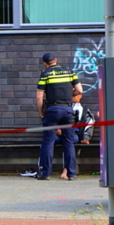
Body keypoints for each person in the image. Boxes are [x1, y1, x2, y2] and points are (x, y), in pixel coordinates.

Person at [36, 53, 83, 181]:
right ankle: (71, 173)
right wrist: (69, 95)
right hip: (68, 109)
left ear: (45, 63)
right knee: (68, 142)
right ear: (56, 60)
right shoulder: (69, 72)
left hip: (52, 110)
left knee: (48, 141)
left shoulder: (45, 74)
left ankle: (45, 173)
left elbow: (39, 96)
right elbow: (80, 90)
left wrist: (41, 112)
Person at [61, 89, 95, 180]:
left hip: (74, 134)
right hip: (61, 134)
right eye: (72, 95)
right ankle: (42, 169)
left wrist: (86, 137)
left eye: (75, 95)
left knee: (68, 142)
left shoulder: (83, 110)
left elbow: (89, 124)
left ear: (80, 96)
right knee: (47, 141)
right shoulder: (65, 107)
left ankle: (66, 170)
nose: (73, 98)